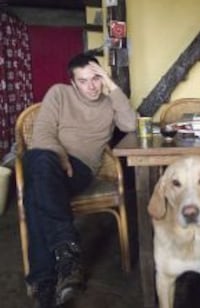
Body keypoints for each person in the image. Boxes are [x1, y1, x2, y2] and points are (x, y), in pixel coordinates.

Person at [23, 53, 136, 308]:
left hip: (81, 170)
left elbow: (129, 124)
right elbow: (42, 134)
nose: (91, 86)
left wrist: (112, 84)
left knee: (34, 196)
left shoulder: (110, 102)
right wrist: (60, 156)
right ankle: (67, 253)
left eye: (96, 78)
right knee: (41, 162)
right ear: (73, 83)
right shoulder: (59, 93)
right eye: (83, 81)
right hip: (51, 160)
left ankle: (43, 281)